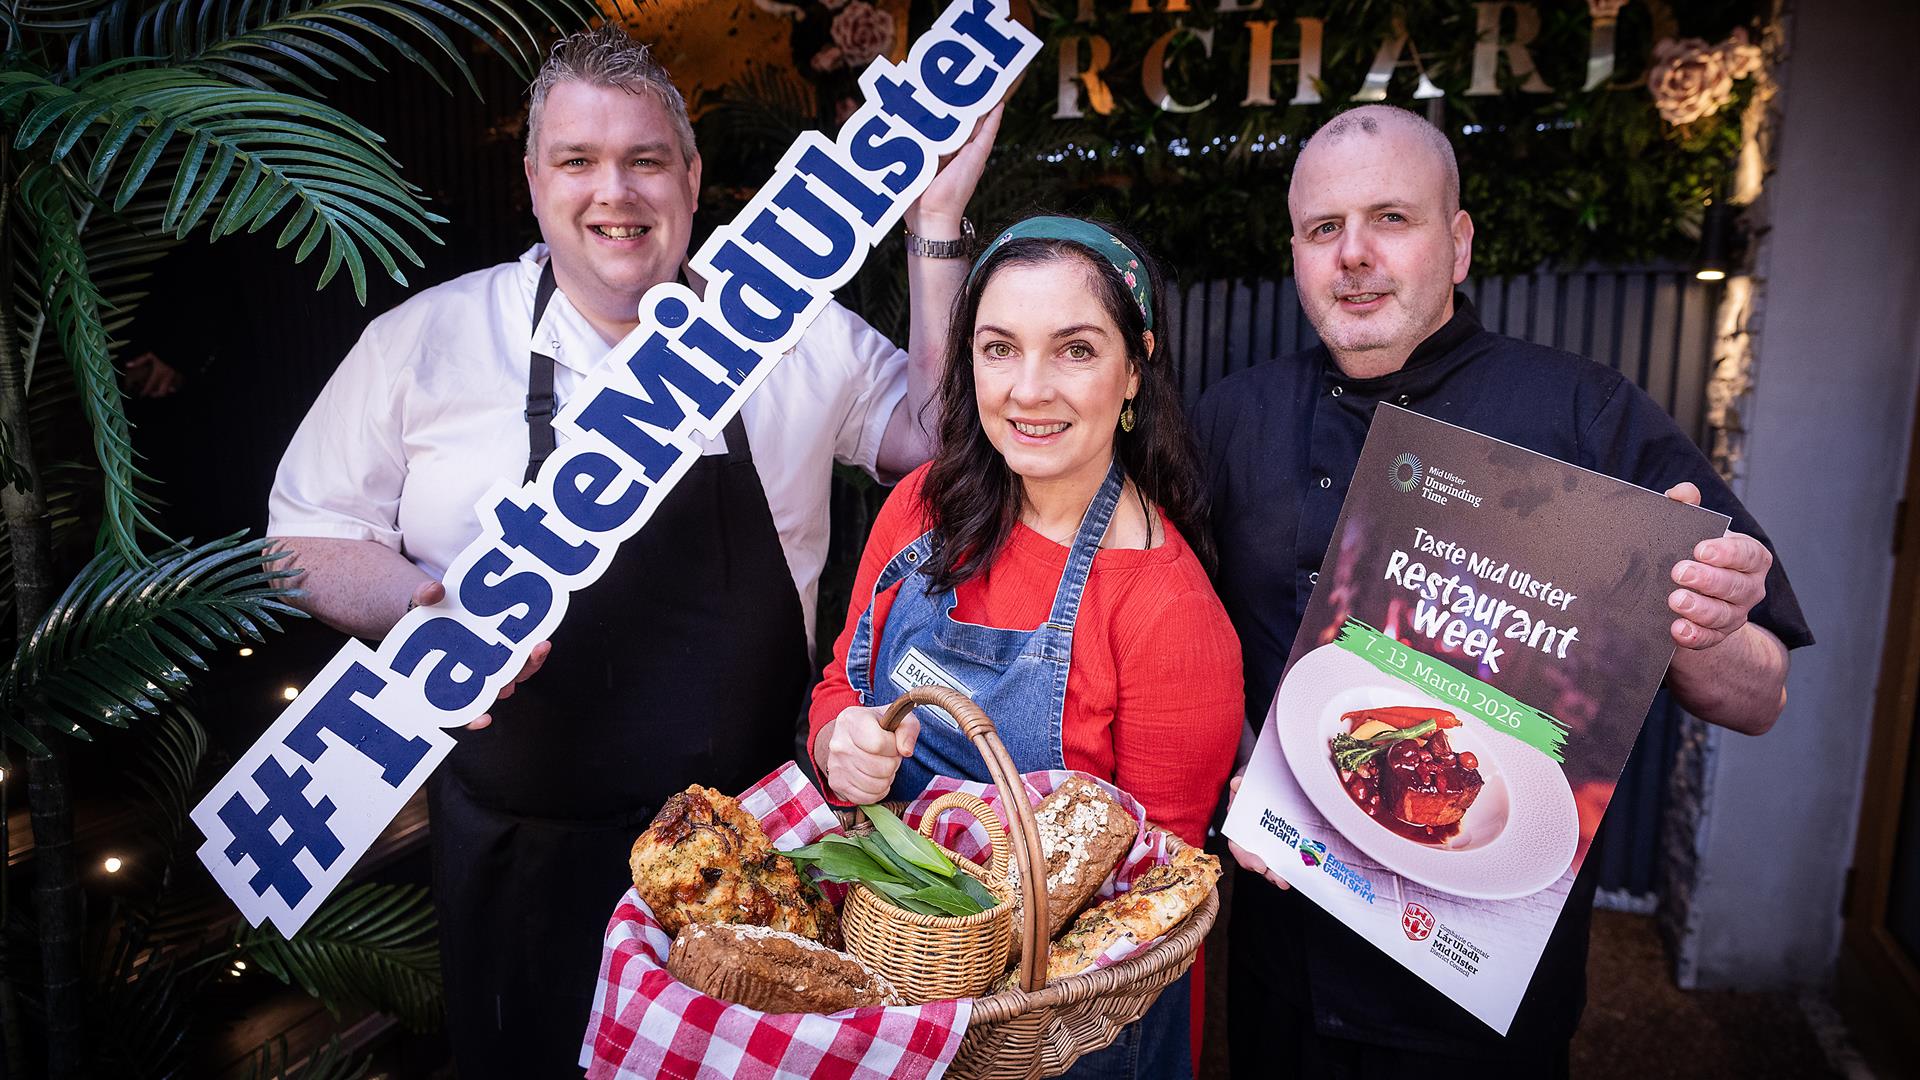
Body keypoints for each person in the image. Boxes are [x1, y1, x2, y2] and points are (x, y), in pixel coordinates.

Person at [266, 25, 999, 1077]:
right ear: (533, 181)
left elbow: (936, 447)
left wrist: (936, 227)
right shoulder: (423, 343)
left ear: (692, 178)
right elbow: (301, 542)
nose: (616, 191)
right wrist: (419, 605)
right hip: (519, 871)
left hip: (753, 875)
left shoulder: (794, 334)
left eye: (646, 159)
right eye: (578, 160)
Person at [1197, 104, 1814, 1077]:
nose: (1353, 254)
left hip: (1487, 985)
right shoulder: (1231, 417)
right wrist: (1236, 767)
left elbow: (1763, 695)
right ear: (1297, 253)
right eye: (1324, 229)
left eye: (1391, 219)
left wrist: (1702, 622)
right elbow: (1193, 645)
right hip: (1285, 958)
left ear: (1458, 242)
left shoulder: (1583, 411)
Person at [809, 215, 1244, 1078]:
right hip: (887, 976)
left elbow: (1159, 904)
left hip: (1059, 1033)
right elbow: (839, 684)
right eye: (999, 348)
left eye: (1075, 350)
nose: (1029, 389)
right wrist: (840, 747)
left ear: (1134, 370)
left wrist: (999, 996)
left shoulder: (1167, 610)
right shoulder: (922, 508)